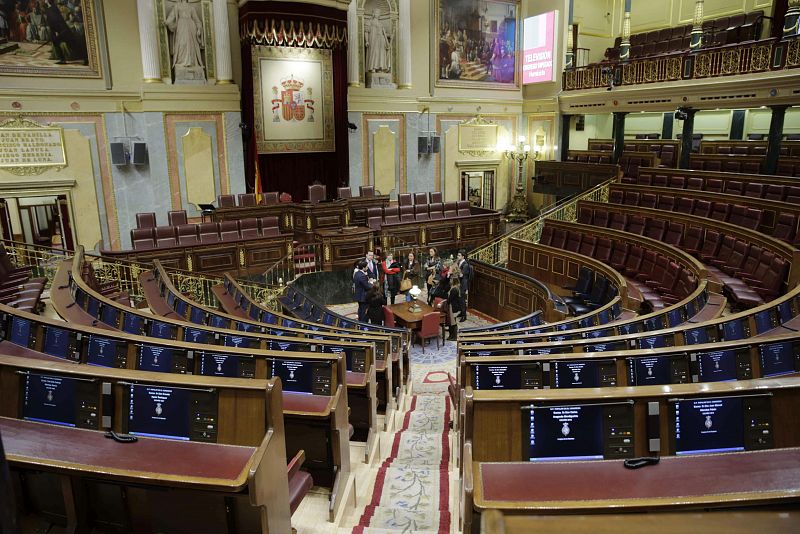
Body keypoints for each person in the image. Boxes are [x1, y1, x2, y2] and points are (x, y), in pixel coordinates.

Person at [165, 0, 204, 69]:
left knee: (191, 44)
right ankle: (181, 62)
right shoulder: (177, 6)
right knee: (182, 44)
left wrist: (199, 28)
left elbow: (196, 20)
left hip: (191, 28)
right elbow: (171, 16)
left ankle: (191, 62)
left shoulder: (191, 7)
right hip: (181, 27)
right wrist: (167, 22)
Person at [365, 7, 390, 73]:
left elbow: (384, 33)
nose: (378, 14)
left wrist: (387, 41)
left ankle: (379, 68)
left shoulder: (381, 23)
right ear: (373, 13)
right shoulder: (369, 22)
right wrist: (367, 41)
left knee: (380, 53)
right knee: (374, 53)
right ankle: (372, 67)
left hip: (381, 40)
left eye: (379, 13)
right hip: (373, 39)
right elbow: (366, 31)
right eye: (377, 13)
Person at [456, 249, 472, 322]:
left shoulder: (465, 265)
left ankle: (464, 316)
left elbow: (461, 275)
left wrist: (455, 270)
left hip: (463, 284)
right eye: (458, 255)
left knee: (462, 300)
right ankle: (461, 312)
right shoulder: (459, 262)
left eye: (459, 255)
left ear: (463, 256)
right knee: (459, 299)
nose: (457, 256)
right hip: (459, 283)